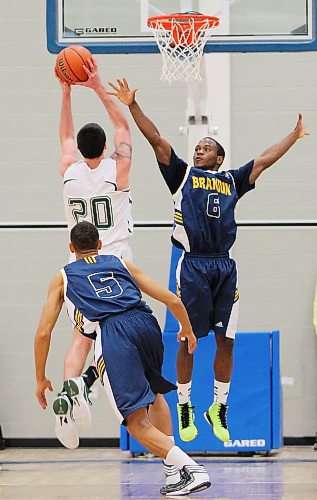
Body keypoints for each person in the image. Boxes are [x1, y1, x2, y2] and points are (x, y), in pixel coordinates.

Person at [107, 78, 309, 444]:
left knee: (225, 341)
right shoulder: (182, 175)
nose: (199, 150)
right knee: (188, 339)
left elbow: (264, 160)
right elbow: (156, 140)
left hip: (224, 267)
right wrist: (132, 106)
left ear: (219, 157)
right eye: (197, 146)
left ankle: (219, 407)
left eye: (206, 147)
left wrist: (293, 137)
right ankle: (185, 405)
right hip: (194, 265)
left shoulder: (233, 180)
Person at [34, 221, 211, 497]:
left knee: (136, 423)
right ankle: (172, 470)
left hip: (114, 332)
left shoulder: (63, 276)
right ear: (100, 244)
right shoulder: (120, 262)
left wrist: (40, 377)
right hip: (146, 322)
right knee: (156, 393)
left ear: (71, 248)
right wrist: (187, 329)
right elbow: (172, 300)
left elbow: (43, 333)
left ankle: (192, 469)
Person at [53, 57, 134, 447]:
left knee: (79, 339)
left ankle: (71, 387)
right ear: (105, 148)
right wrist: (97, 85)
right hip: (113, 262)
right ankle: (90, 384)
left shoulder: (70, 170)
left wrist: (66, 92)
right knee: (114, 337)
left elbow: (65, 138)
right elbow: (123, 125)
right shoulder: (115, 170)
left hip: (77, 267)